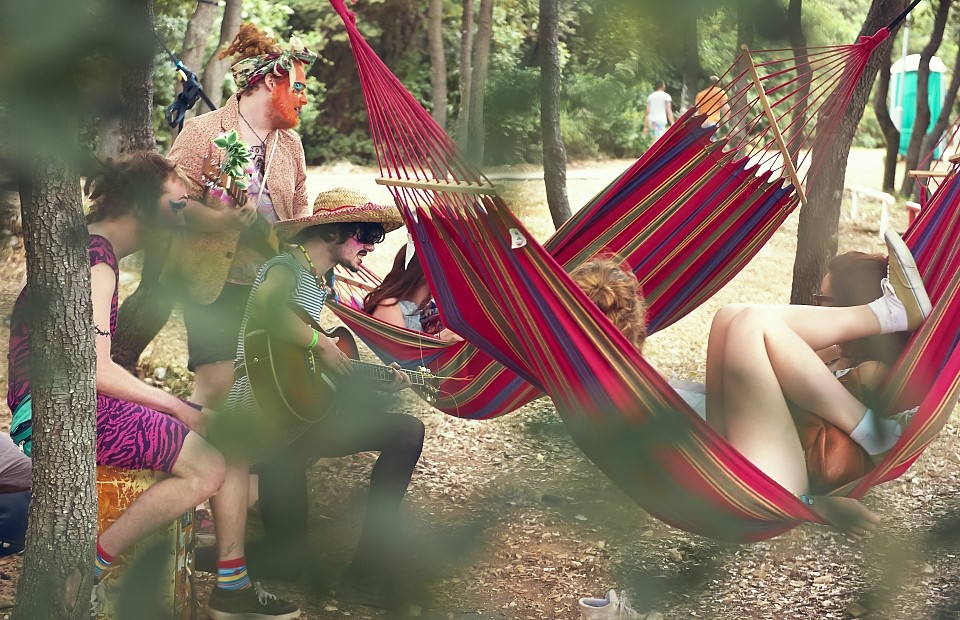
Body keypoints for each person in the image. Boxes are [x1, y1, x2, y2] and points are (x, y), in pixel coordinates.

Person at [5, 152, 301, 618]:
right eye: (176, 205)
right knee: (207, 468)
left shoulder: (95, 248)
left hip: (77, 399)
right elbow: (97, 370)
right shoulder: (95, 261)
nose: (183, 217)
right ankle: (87, 572)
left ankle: (232, 587)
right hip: (55, 411)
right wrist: (178, 406)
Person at [571, 230, 930, 539]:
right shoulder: (821, 357)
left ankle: (889, 317)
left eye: (822, 302)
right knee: (733, 318)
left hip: (758, 477)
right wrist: (818, 507)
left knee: (745, 320)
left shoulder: (869, 372)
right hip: (743, 467)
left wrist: (815, 506)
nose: (815, 307)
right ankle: (887, 320)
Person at [225, 188, 425, 609]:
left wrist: (373, 380)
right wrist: (320, 344)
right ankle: (217, 556)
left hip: (296, 417)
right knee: (405, 433)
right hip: (264, 415)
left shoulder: (320, 280)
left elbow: (306, 366)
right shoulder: (285, 268)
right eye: (365, 235)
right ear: (333, 232)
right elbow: (267, 311)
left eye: (376, 237)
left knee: (406, 431)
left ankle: (362, 576)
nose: (371, 246)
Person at [163, 23, 317, 409]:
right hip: (214, 284)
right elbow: (167, 202)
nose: (304, 98)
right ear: (271, 82)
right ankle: (185, 445)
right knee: (216, 389)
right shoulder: (202, 132)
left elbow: (301, 210)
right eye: (298, 87)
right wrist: (222, 221)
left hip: (271, 290)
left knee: (260, 391)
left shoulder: (291, 144)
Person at [362, 246, 463, 342]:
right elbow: (400, 351)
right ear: (426, 274)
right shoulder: (389, 305)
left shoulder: (427, 309)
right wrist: (440, 338)